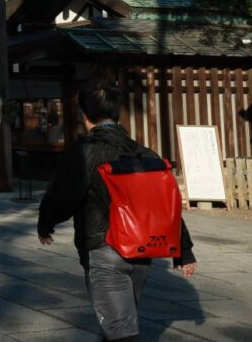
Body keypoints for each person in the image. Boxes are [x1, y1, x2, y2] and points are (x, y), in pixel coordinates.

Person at [37, 82, 197, 342]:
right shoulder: (145, 152)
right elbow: (164, 205)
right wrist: (184, 251)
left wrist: (45, 224)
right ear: (117, 114)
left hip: (105, 251)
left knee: (121, 332)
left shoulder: (86, 152)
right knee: (119, 325)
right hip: (143, 252)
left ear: (85, 116)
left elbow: (63, 195)